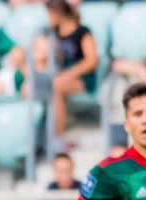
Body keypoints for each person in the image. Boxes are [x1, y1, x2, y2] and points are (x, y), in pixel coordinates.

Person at [42, 0, 98, 140]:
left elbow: (91, 61)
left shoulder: (83, 32)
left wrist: (68, 74)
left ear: (58, 13)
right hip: (62, 76)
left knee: (56, 86)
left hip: (83, 80)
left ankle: (58, 136)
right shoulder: (54, 34)